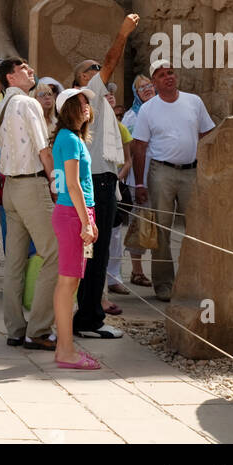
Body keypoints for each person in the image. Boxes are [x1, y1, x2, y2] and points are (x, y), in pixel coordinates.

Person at [69, 14, 140, 343]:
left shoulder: (90, 103)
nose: (100, 71)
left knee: (93, 253)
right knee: (94, 255)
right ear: (83, 78)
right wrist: (122, 32)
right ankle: (88, 319)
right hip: (98, 181)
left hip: (100, 179)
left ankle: (87, 314)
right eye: (92, 68)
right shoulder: (89, 92)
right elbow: (112, 60)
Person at [131, 62, 215, 300]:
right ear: (154, 83)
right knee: (162, 230)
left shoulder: (194, 102)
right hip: (162, 173)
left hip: (191, 171)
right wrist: (139, 184)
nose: (168, 77)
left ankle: (195, 280)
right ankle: (164, 284)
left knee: (196, 228)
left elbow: (207, 134)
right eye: (161, 75)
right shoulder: (148, 109)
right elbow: (139, 147)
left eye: (170, 73)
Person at [0, 57, 58, 350]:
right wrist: (56, 184)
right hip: (31, 184)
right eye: (23, 69)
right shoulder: (28, 104)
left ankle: (15, 329)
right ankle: (40, 329)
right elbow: (43, 149)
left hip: (11, 187)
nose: (31, 71)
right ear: (10, 77)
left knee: (14, 262)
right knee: (54, 253)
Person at [51, 88, 101, 371]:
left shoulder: (71, 138)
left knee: (70, 282)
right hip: (73, 214)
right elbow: (73, 185)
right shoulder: (69, 139)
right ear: (68, 108)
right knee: (68, 283)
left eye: (87, 103)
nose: (86, 107)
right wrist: (86, 221)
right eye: (80, 102)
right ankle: (67, 351)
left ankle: (64, 347)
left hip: (76, 213)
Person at [122, 74, 155, 286]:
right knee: (139, 224)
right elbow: (129, 149)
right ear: (136, 93)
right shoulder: (131, 117)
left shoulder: (164, 110)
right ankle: (136, 270)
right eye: (142, 87)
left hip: (159, 175)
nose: (147, 89)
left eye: (150, 85)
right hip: (138, 178)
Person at [102, 85, 132, 306]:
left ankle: (114, 277)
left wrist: (118, 177)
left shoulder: (120, 128)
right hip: (100, 182)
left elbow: (128, 159)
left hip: (115, 183)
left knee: (114, 235)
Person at [33, 79, 59, 144]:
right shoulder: (32, 121)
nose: (47, 97)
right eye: (42, 94)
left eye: (50, 94)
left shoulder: (56, 122)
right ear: (33, 98)